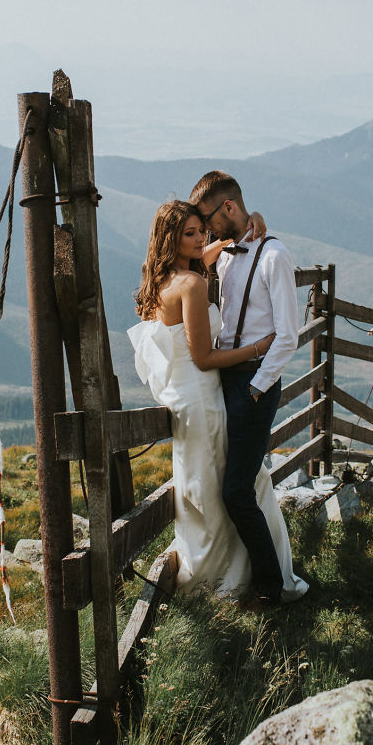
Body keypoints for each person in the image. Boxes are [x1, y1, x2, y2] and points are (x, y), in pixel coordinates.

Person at [128, 200, 307, 604]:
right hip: (204, 396)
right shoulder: (192, 285)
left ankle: (226, 571)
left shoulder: (163, 279)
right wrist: (259, 347)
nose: (200, 240)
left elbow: (225, 237)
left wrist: (253, 218)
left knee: (202, 485)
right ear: (171, 238)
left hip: (184, 396)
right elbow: (205, 357)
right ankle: (235, 576)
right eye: (189, 234)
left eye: (200, 231)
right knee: (219, 489)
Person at [190, 171, 301, 607]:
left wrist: (255, 388)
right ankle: (241, 573)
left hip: (255, 382)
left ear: (229, 208)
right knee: (232, 483)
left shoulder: (275, 257)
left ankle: (272, 588)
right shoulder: (224, 256)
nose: (206, 230)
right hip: (224, 378)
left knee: (236, 490)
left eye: (209, 219)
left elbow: (287, 334)